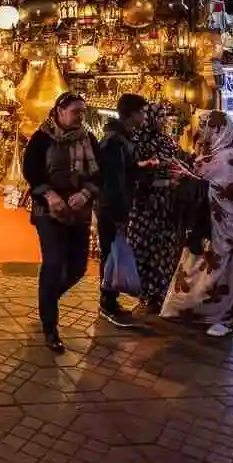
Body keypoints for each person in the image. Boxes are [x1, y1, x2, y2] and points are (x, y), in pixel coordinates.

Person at [23, 91, 102, 353]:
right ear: (59, 111)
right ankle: (50, 326)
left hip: (78, 211)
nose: (81, 116)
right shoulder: (42, 138)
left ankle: (47, 300)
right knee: (54, 262)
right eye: (75, 111)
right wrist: (49, 194)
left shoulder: (88, 138)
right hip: (49, 211)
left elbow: (99, 173)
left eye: (83, 111)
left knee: (78, 267)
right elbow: (31, 170)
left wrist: (86, 193)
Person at [161, 110, 233, 337]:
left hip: (223, 226)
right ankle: (192, 311)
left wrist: (189, 178)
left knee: (221, 273)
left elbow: (224, 194)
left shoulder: (230, 157)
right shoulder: (209, 155)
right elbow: (203, 183)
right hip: (206, 224)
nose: (201, 132)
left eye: (205, 127)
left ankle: (223, 317)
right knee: (197, 268)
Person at [97, 94, 149, 327]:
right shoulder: (115, 142)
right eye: (143, 112)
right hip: (111, 206)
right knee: (110, 253)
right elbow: (113, 180)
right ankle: (107, 302)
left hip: (114, 204)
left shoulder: (121, 139)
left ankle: (110, 299)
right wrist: (118, 212)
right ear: (133, 114)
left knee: (112, 253)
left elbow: (122, 172)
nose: (145, 117)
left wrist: (138, 167)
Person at [126, 102, 182, 313]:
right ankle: (143, 291)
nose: (164, 121)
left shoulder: (166, 140)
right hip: (143, 204)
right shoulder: (137, 142)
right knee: (140, 247)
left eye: (165, 117)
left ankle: (160, 293)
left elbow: (176, 161)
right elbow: (134, 174)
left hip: (165, 204)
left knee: (163, 248)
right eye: (159, 117)